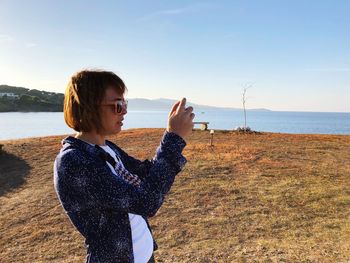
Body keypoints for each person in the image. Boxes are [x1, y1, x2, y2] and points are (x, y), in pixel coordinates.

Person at [53, 70, 195, 263]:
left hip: (142, 256)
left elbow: (147, 175)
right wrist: (174, 139)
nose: (125, 111)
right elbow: (147, 202)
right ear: (89, 108)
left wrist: (171, 133)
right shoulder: (75, 161)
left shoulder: (105, 147)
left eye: (124, 104)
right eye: (118, 106)